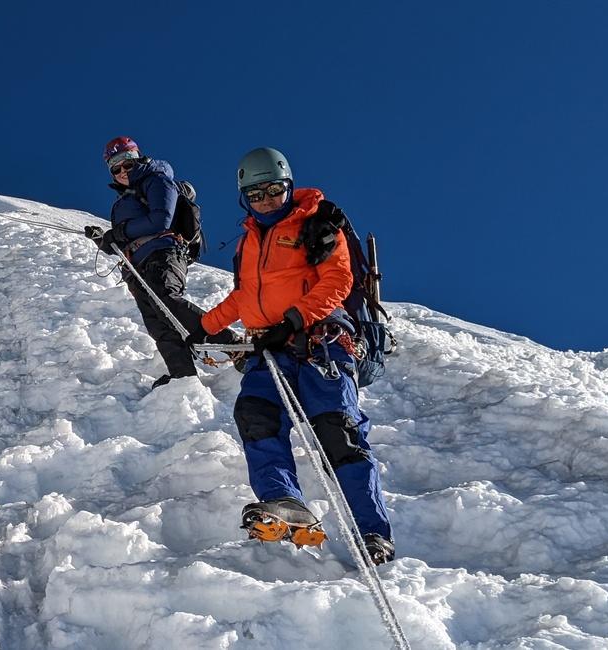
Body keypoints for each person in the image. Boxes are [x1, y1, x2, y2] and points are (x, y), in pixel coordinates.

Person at [193, 147, 395, 563]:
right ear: (244, 197)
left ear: (288, 186)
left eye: (274, 190)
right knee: (255, 415)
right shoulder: (249, 242)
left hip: (320, 342)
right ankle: (284, 500)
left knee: (337, 432)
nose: (266, 200)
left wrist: (294, 320)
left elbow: (339, 279)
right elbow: (245, 296)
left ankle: (372, 532)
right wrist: (205, 327)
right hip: (270, 348)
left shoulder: (319, 224)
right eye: (256, 195)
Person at [85, 136, 239, 388]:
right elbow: (126, 240)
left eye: (128, 163)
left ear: (138, 158)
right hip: (137, 266)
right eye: (116, 167)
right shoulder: (126, 198)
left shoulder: (156, 179)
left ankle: (232, 344)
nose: (123, 171)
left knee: (168, 302)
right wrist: (105, 240)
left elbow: (161, 220)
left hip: (163, 254)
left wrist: (120, 232)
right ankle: (183, 378)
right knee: (158, 322)